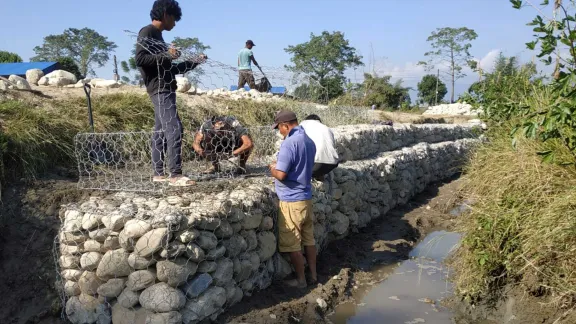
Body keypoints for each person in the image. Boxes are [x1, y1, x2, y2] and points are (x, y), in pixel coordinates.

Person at [135, 0, 207, 187]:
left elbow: (170, 69)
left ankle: (158, 173)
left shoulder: (159, 38)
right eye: (174, 19)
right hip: (160, 89)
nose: (174, 24)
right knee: (174, 128)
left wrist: (194, 61)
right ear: (166, 15)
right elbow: (140, 59)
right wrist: (168, 54)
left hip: (165, 86)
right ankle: (175, 175)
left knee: (160, 131)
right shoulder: (148, 32)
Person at [269, 110, 317, 288]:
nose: (279, 132)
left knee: (293, 242)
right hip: (306, 198)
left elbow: (281, 174)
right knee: (309, 239)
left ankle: (301, 280)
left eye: (279, 128)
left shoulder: (290, 143)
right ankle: (313, 275)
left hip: (291, 201)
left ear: (285, 125)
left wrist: (272, 169)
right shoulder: (309, 141)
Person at [299, 114, 339, 181]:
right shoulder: (327, 128)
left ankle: (314, 174)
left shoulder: (303, 125)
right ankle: (319, 175)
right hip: (332, 163)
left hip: (315, 163)